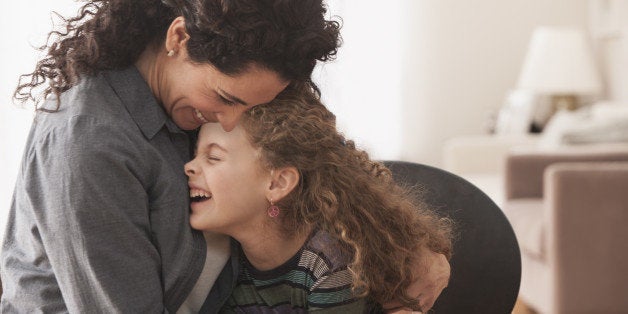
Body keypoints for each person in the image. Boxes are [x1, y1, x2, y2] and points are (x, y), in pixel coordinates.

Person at [1, 0, 450, 312]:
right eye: (224, 98)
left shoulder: (222, 89)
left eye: (251, 108)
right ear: (179, 37)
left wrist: (412, 249)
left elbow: (319, 157)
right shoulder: (91, 146)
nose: (232, 123)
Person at [184, 88, 453, 313]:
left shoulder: (328, 262)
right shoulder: (231, 264)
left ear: (277, 183)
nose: (189, 167)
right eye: (196, 155)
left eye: (214, 157)